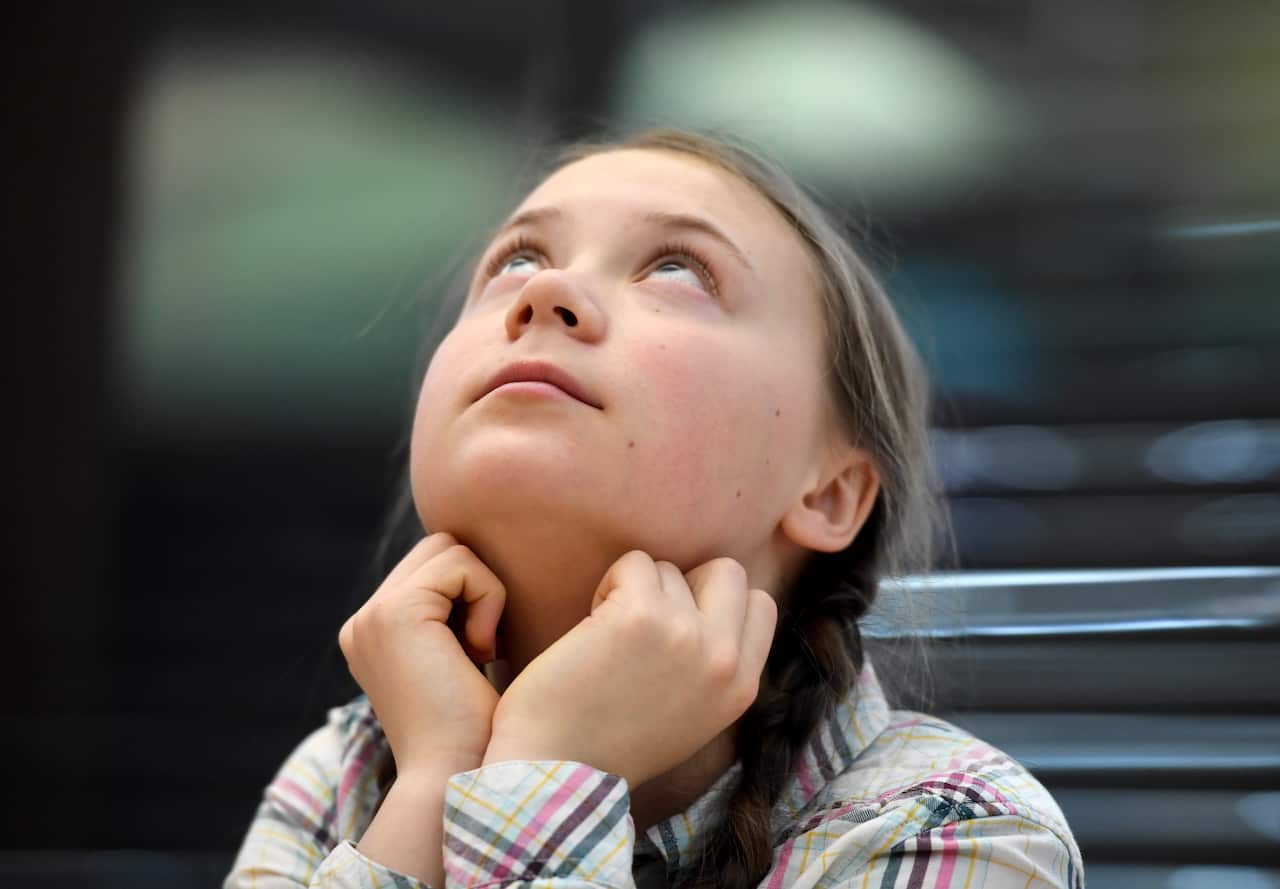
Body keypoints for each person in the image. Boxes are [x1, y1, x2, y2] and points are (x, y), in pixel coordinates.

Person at [223, 128, 1084, 889]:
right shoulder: (343, 775)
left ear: (828, 492)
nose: (545, 293)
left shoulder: (957, 830)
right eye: (517, 258)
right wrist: (427, 788)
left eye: (678, 268)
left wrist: (544, 767)